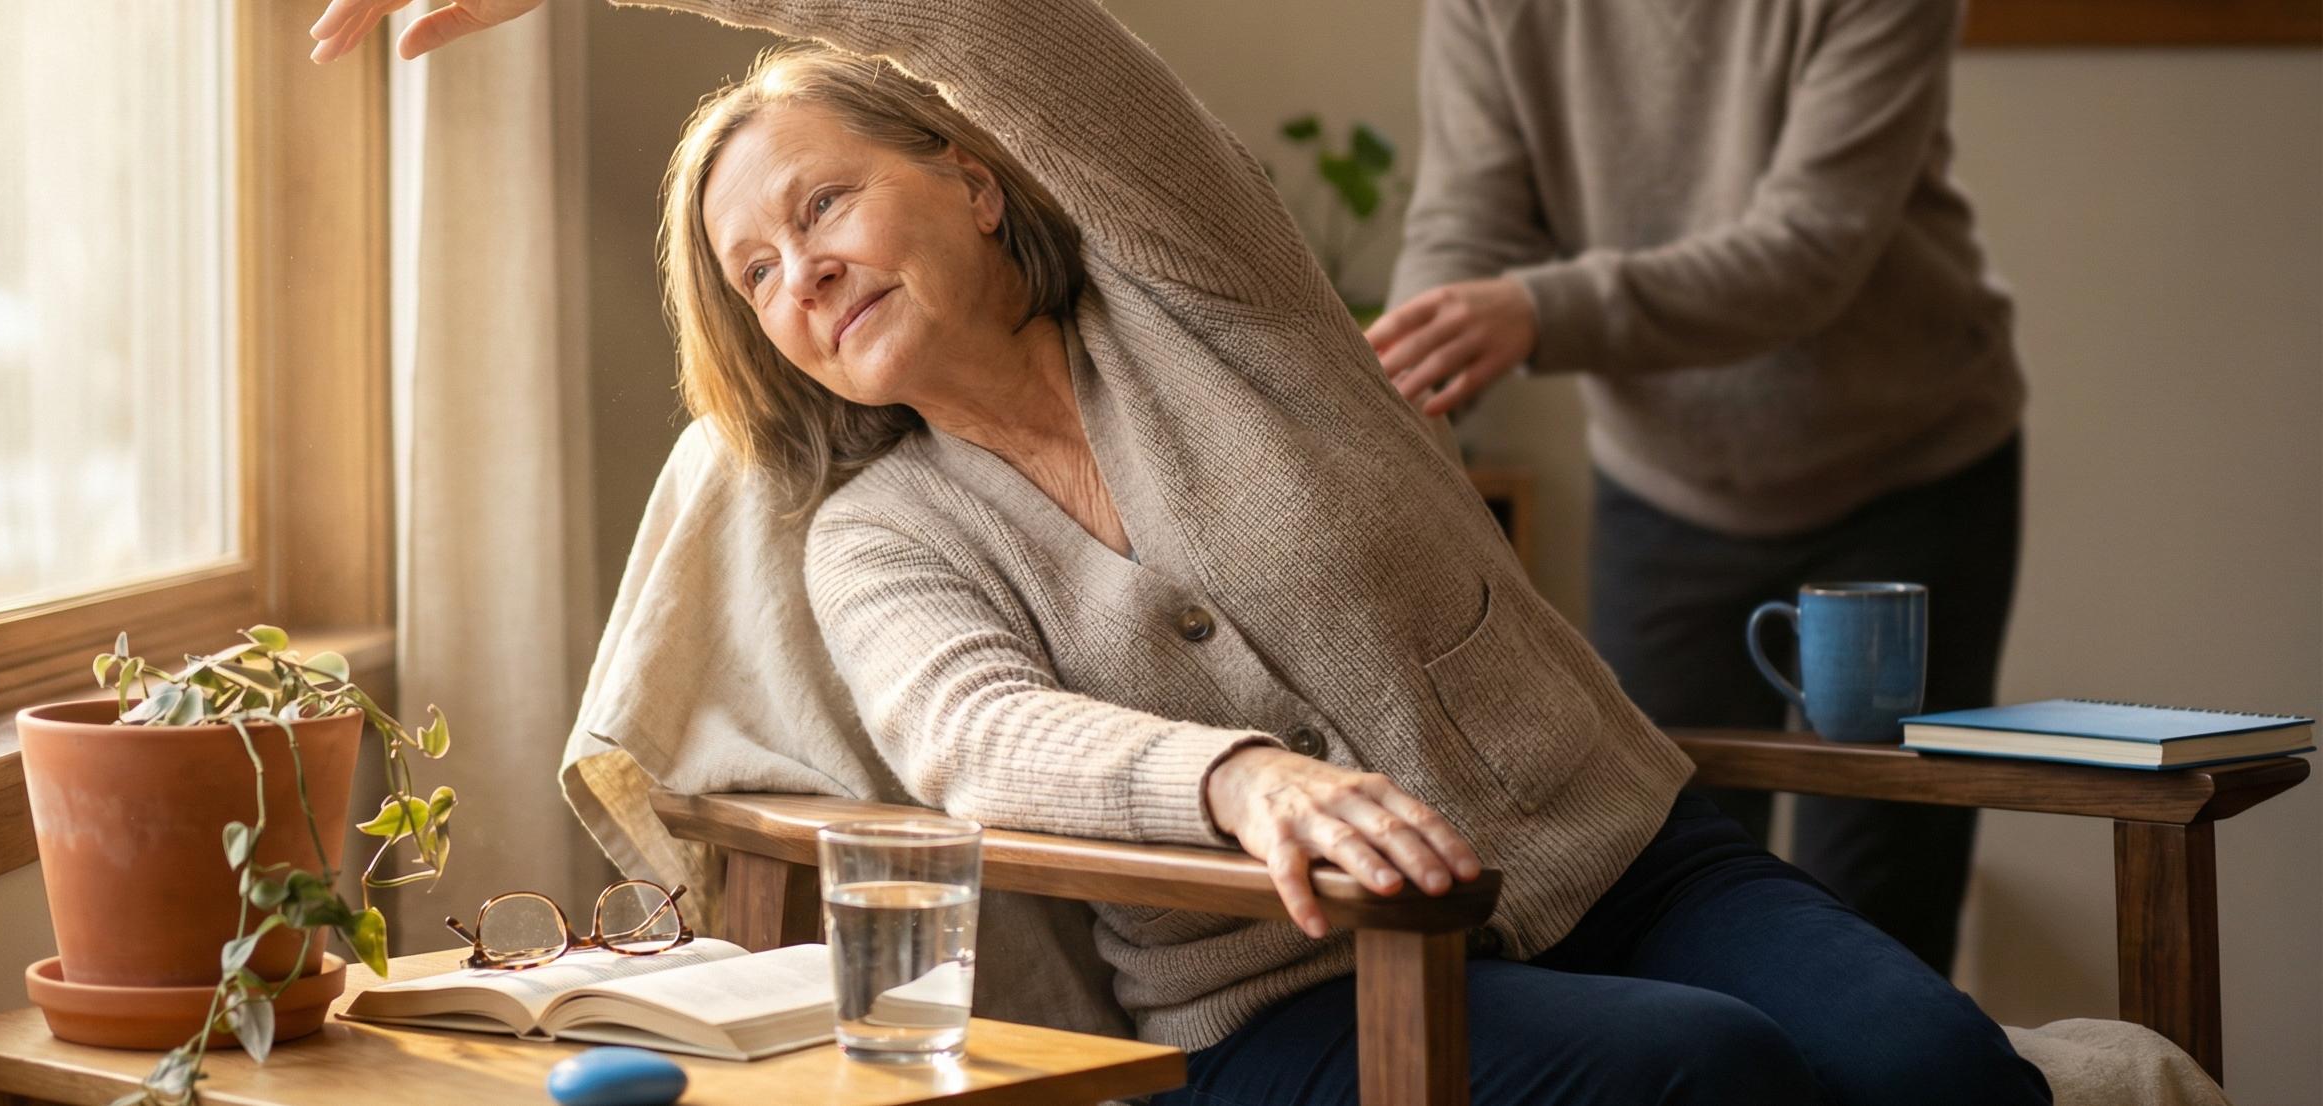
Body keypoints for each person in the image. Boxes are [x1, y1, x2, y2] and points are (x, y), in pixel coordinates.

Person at [311, 1, 2046, 1102]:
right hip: (1281, 997)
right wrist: (1239, 781)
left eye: (822, 203)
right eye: (754, 273)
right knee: (1705, 1075)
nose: (801, 272)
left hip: (1627, 863)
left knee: (1942, 1076)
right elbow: (972, 733)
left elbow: (1012, 32)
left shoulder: (1207, 295)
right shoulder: (875, 532)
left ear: (975, 182)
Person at [1373, 0, 2025, 975]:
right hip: (1663, 491)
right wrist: (1402, 397)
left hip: (1907, 477)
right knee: (1671, 894)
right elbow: (1465, 222)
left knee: (1881, 913)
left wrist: (1536, 310)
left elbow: (1810, 250)